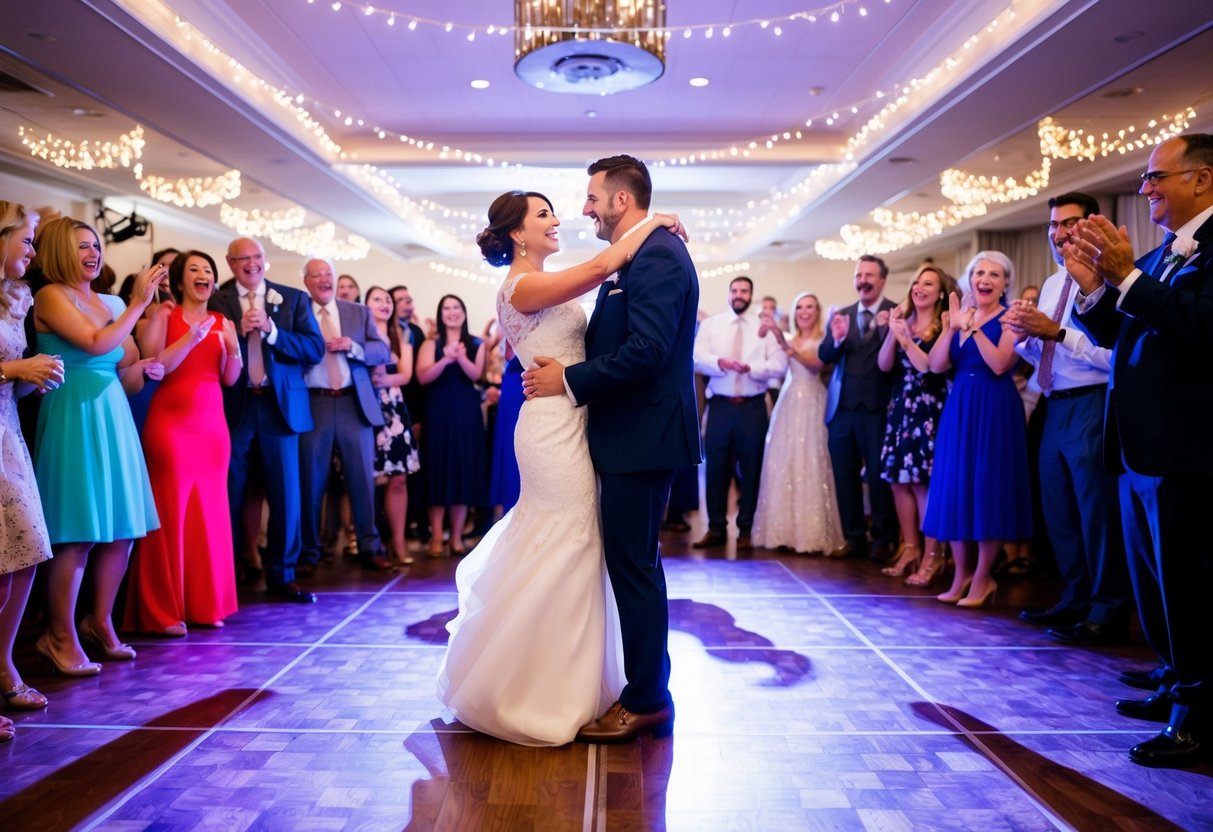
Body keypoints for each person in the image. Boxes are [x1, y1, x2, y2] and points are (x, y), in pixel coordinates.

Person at [437, 187, 686, 746]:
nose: (557, 221)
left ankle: (572, 681)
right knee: (566, 538)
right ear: (518, 234)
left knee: (579, 546)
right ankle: (533, 688)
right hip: (551, 428)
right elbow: (604, 264)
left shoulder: (544, 281)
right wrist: (656, 221)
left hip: (577, 416)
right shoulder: (521, 286)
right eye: (543, 215)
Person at [523, 155, 702, 743]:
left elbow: (648, 350)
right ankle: (639, 687)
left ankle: (648, 698)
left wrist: (569, 382)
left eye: (593, 198)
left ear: (621, 201)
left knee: (635, 567)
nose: (585, 208)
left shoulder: (658, 256)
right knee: (631, 563)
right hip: (626, 434)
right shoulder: (642, 251)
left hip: (643, 436)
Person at [1069, 133, 1213, 768]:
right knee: (1158, 587)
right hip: (1143, 449)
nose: (1146, 188)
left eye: (1158, 176)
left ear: (1202, 179)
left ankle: (1199, 721)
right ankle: (1174, 684)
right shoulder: (1161, 256)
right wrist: (1095, 289)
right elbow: (1124, 328)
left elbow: (1200, 326)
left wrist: (1126, 274)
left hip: (1190, 448)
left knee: (1194, 589)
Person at [32, 217, 164, 673]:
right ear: (57, 253)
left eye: (95, 245)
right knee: (79, 531)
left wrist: (145, 367)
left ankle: (100, 622)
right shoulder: (50, 295)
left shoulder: (109, 301)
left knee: (122, 530)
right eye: (81, 246)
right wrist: (136, 305)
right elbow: (95, 341)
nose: (92, 253)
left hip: (113, 411)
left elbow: (124, 361)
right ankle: (58, 636)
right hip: (74, 412)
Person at [1003, 192, 1128, 645]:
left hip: (1093, 403)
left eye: (1070, 223)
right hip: (1053, 404)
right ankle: (1074, 597)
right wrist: (1022, 335)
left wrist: (1054, 331)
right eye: (1054, 226)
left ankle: (1108, 608)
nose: (1060, 234)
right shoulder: (1055, 284)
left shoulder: (1110, 281)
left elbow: (1117, 356)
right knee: (1059, 510)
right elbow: (1045, 349)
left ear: (1093, 224)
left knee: (1096, 511)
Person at [124, 250, 242, 636]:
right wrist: (192, 337)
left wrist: (235, 351)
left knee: (209, 514)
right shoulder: (164, 315)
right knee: (171, 512)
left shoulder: (223, 321)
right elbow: (155, 364)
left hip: (211, 426)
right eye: (194, 269)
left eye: (208, 270)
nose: (203, 275)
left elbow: (229, 379)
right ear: (179, 280)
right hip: (170, 425)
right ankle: (162, 610)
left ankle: (206, 605)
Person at [209, 237, 325, 603]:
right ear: (230, 263)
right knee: (229, 491)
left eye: (256, 256)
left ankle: (283, 574)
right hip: (236, 406)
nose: (251, 264)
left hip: (280, 409)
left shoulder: (292, 298)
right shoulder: (218, 300)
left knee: (285, 494)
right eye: (242, 258)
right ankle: (225, 573)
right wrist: (236, 339)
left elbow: (314, 348)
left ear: (265, 260)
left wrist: (273, 333)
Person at [923, 252, 1033, 608]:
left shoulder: (1011, 319)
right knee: (957, 489)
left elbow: (1001, 364)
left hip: (995, 408)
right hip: (960, 407)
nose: (985, 279)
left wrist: (972, 329)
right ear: (970, 280)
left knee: (988, 490)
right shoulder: (959, 317)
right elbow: (936, 366)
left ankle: (984, 578)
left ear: (1005, 283)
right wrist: (954, 327)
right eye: (979, 273)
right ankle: (960, 576)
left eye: (995, 274)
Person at [0, 202, 62, 737]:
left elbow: (10, 377)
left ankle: (3, 662)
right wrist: (15, 368)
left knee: (27, 551)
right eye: (25, 240)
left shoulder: (16, 297)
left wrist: (30, 378)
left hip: (7, 436)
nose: (32, 252)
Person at [297, 259, 393, 575]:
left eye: (329, 274)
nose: (324, 280)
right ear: (306, 281)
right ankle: (309, 552)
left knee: (362, 481)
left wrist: (354, 347)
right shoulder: (296, 311)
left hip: (354, 403)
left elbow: (382, 352)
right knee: (311, 481)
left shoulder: (357, 311)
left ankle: (370, 547)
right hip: (315, 403)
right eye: (317, 275)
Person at [692, 277, 787, 551]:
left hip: (752, 406)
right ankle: (716, 529)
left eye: (744, 291)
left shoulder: (765, 328)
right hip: (720, 406)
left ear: (751, 295)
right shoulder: (712, 326)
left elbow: (779, 366)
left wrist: (750, 368)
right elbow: (695, 357)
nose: (739, 295)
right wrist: (720, 362)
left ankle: (746, 529)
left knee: (751, 469)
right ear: (728, 294)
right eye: (734, 290)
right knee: (715, 470)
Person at [876, 265, 953, 584]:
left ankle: (935, 556)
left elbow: (930, 368)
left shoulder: (944, 327)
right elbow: (884, 365)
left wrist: (907, 340)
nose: (919, 287)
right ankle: (910, 548)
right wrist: (895, 334)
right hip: (901, 409)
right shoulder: (903, 322)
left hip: (929, 409)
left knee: (923, 483)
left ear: (940, 293)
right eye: (917, 282)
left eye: (928, 283)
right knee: (898, 481)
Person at [750, 292, 844, 555]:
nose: (804, 312)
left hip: (813, 400)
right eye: (800, 307)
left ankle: (810, 532)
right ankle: (783, 530)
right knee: (784, 461)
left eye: (810, 307)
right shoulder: (788, 337)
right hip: (789, 401)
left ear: (818, 311)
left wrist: (786, 345)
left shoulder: (824, 340)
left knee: (812, 460)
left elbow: (816, 366)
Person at [818, 256, 898, 562]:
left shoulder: (896, 312)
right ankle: (853, 538)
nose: (862, 280)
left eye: (869, 275)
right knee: (844, 474)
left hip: (879, 408)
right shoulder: (842, 315)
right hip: (843, 409)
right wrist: (837, 339)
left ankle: (883, 539)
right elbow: (825, 355)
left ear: (882, 280)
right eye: (858, 274)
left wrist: (884, 331)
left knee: (879, 476)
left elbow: (899, 358)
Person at [416, 294, 486, 557]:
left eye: (457, 307)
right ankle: (436, 536)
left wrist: (460, 357)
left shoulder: (477, 343)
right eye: (446, 308)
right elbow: (422, 377)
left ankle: (456, 537)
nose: (452, 312)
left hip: (466, 413)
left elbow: (476, 375)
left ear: (464, 313)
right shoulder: (429, 344)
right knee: (437, 470)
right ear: (440, 314)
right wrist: (445, 358)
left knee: (461, 472)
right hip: (438, 410)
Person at [364, 286, 419, 567]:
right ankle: (371, 542)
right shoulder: (359, 334)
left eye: (387, 299)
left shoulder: (403, 334)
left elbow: (406, 375)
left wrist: (382, 379)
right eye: (377, 299)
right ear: (365, 305)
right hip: (365, 407)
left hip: (395, 412)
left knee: (398, 479)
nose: (384, 303)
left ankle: (398, 540)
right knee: (370, 479)